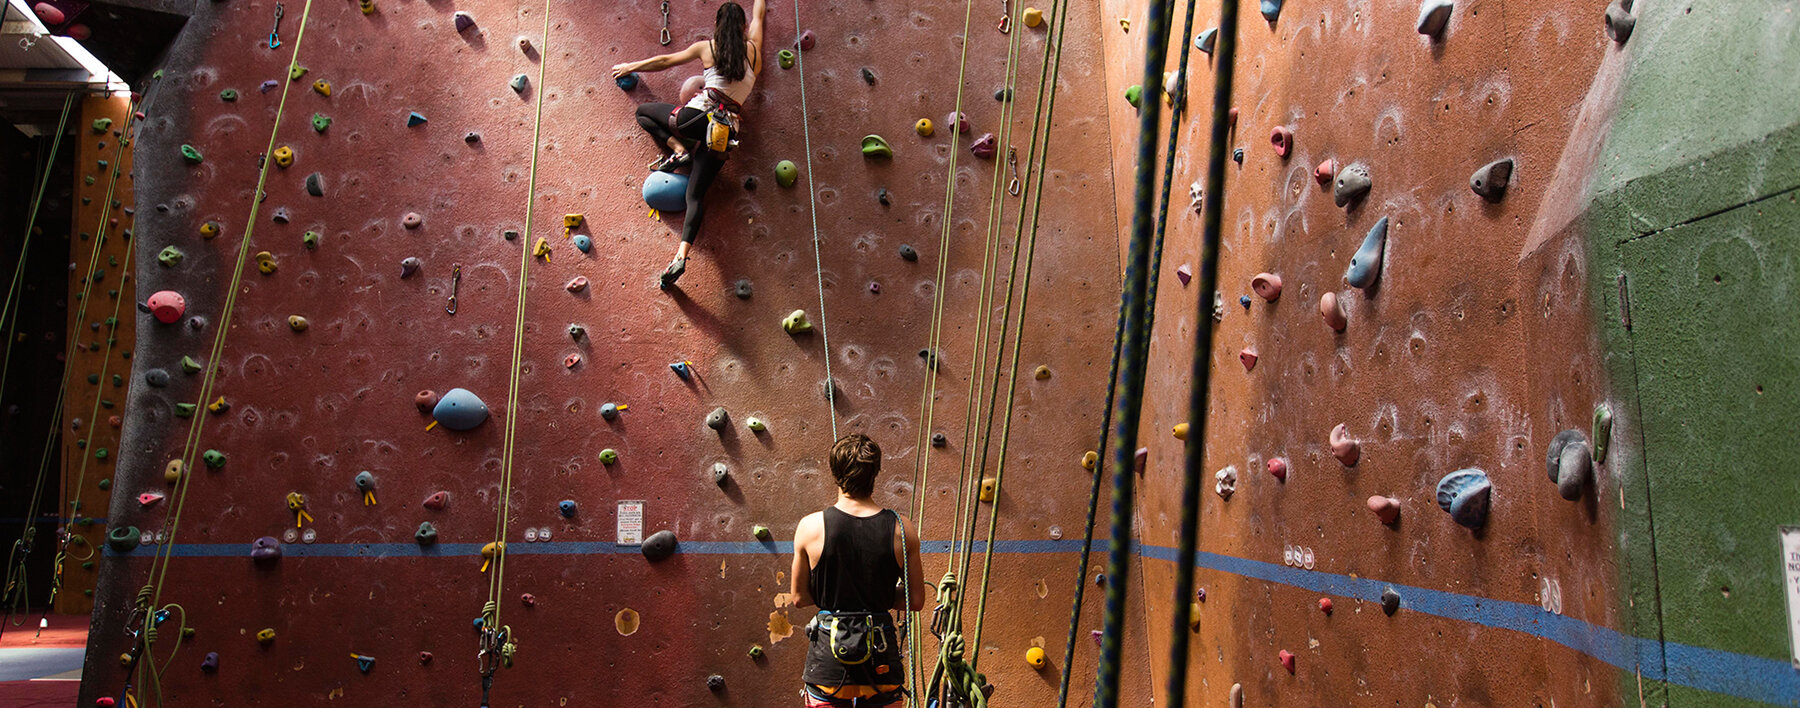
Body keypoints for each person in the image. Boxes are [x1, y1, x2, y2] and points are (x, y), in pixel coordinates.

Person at [609, 0, 766, 288]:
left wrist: (631, 66)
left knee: (644, 113)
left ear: (718, 25)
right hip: (724, 134)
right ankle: (681, 255)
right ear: (743, 27)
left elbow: (666, 61)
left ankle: (679, 149)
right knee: (694, 197)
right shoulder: (754, 50)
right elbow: (759, 15)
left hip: (695, 119)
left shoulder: (708, 47)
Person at [789, 434, 927, 708]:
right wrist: (878, 596)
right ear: (875, 473)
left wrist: (840, 596)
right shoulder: (902, 528)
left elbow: (799, 598)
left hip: (829, 665)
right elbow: (915, 600)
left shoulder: (810, 526)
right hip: (881, 662)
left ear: (834, 473)